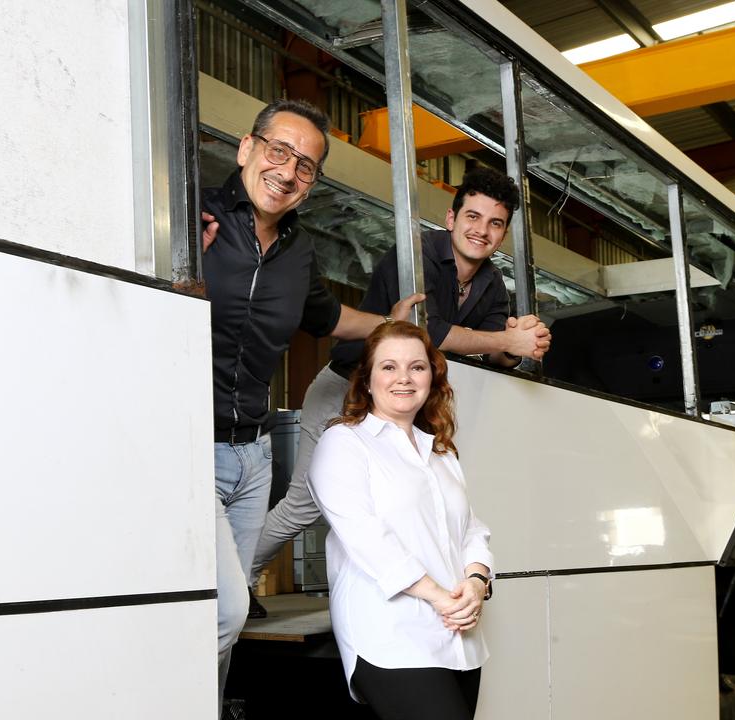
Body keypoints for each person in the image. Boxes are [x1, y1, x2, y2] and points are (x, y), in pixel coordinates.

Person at [200, 98, 422, 711]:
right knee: (224, 610)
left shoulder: (298, 253)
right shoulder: (197, 221)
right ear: (247, 149)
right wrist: (179, 260)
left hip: (253, 458)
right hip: (187, 447)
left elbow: (328, 317)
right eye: (279, 150)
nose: (289, 171)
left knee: (224, 614)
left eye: (306, 165)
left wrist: (390, 324)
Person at [251, 167, 548, 586]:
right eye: (473, 217)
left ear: (503, 234)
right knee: (304, 502)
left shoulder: (492, 282)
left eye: (495, 223)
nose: (482, 230)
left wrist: (524, 343)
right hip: (346, 386)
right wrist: (505, 339)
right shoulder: (417, 254)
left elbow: (497, 352)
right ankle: (239, 580)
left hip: (402, 406)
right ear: (451, 218)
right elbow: (429, 331)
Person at [309, 320, 493, 720]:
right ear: (368, 379)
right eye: (389, 367)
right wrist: (440, 596)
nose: (404, 378)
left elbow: (471, 530)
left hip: (458, 638)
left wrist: (477, 584)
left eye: (417, 367)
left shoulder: (441, 453)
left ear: (432, 377)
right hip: (390, 635)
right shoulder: (344, 443)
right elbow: (366, 538)